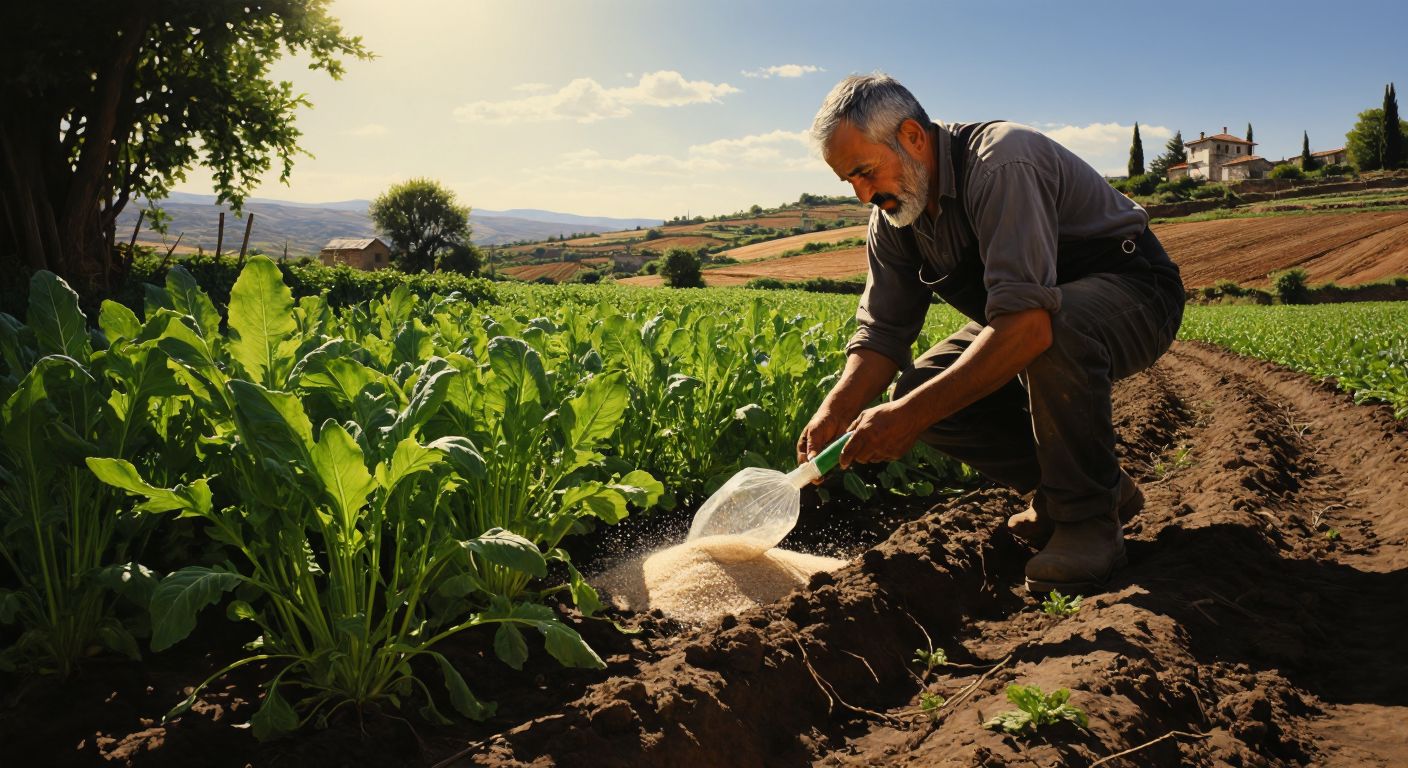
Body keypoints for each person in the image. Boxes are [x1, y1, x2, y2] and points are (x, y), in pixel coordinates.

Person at [796, 73, 1185, 594]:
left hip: (1135, 292)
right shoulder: (894, 215)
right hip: (1035, 311)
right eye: (850, 181)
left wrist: (907, 421)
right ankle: (1077, 491)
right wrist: (836, 410)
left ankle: (1087, 521)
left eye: (866, 171)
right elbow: (884, 331)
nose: (863, 193)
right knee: (917, 388)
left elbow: (1027, 327)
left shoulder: (1001, 162)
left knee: (1050, 329)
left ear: (912, 136)